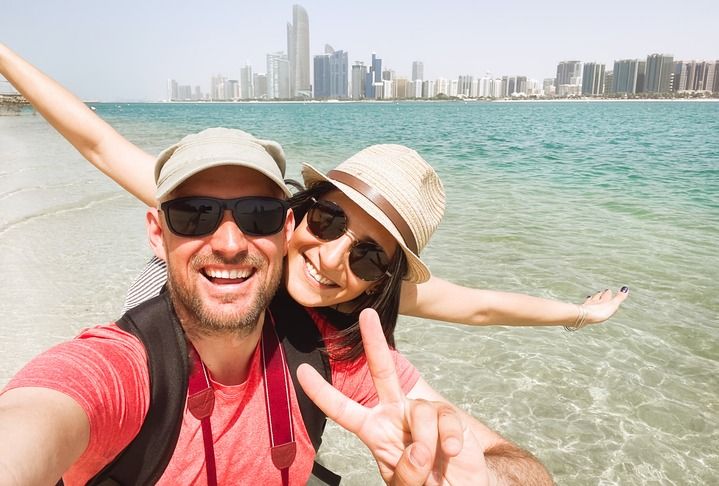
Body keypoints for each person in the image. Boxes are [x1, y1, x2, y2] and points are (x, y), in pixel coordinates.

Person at [0, 128, 552, 485]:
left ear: (281, 226)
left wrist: (473, 477)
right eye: (194, 215)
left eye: (257, 216)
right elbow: (37, 419)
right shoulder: (124, 366)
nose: (229, 242)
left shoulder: (332, 352)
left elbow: (480, 316)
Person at [0, 43, 629, 334]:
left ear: (380, 279)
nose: (332, 259)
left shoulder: (351, 301)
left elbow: (478, 307)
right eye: (328, 222)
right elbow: (98, 143)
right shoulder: (231, 221)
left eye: (368, 257)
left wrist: (579, 313)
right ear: (296, 211)